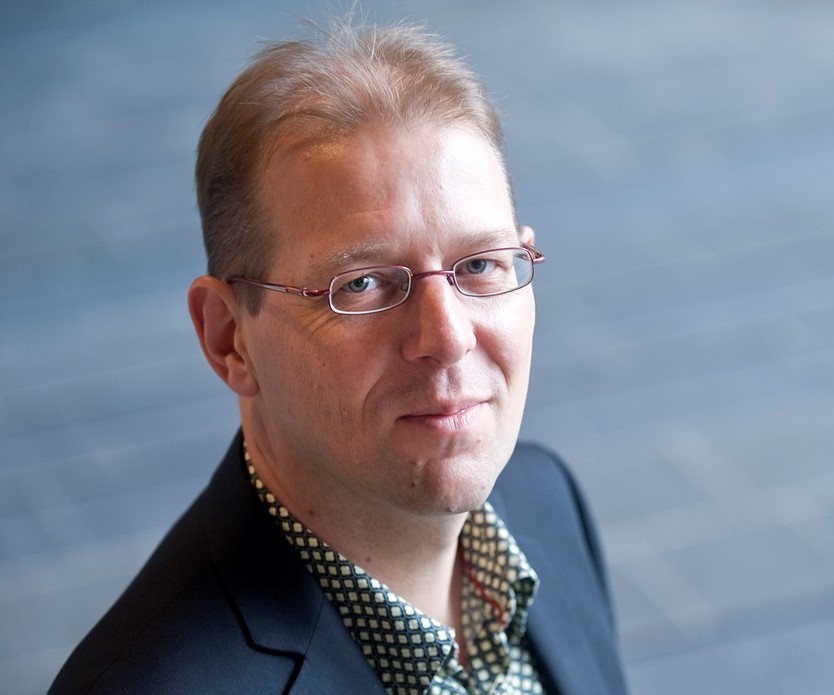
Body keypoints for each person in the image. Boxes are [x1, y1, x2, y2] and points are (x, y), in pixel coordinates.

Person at [48, 17, 628, 695]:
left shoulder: (545, 499)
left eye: (479, 264)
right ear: (229, 338)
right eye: (363, 284)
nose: (448, 337)